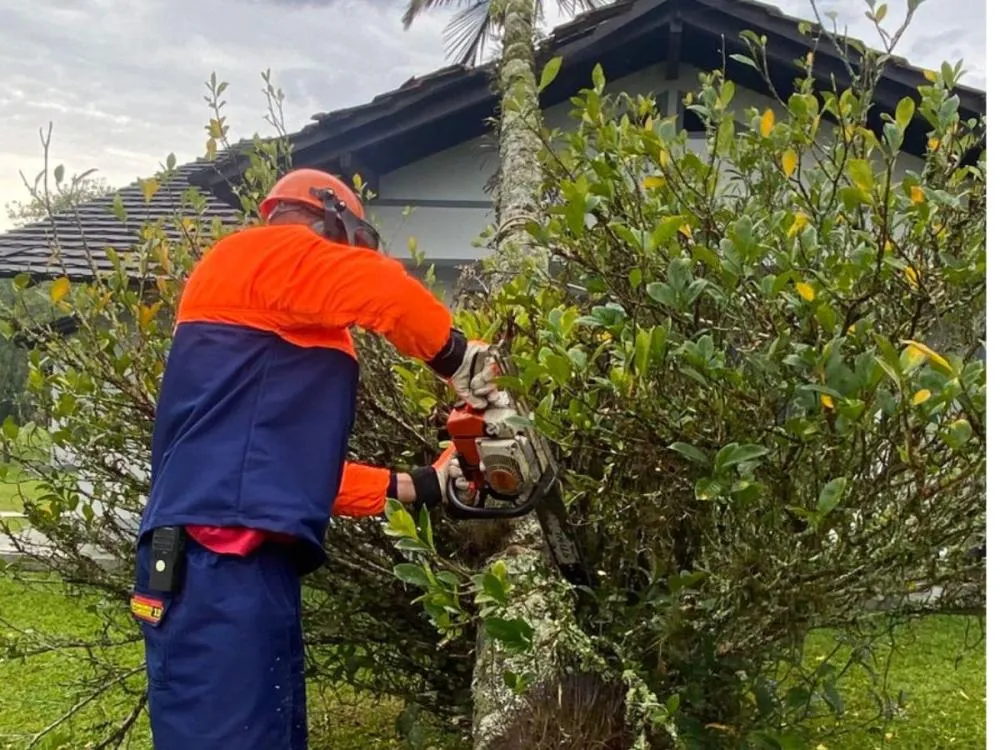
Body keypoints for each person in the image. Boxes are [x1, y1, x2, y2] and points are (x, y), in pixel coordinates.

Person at [130, 168, 495, 749]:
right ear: (329, 218)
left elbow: (296, 476)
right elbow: (379, 289)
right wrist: (461, 361)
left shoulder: (275, 326)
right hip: (213, 557)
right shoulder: (253, 256)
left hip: (244, 560)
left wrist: (426, 484)